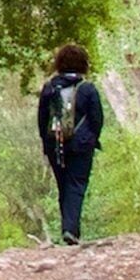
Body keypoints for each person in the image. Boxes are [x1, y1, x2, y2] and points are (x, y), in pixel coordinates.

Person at [36, 43, 107, 246]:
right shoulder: (87, 88)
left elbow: (42, 119)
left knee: (63, 186)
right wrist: (91, 139)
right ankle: (70, 230)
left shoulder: (49, 88)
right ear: (83, 64)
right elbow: (97, 118)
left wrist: (46, 142)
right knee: (76, 185)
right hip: (81, 145)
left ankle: (69, 229)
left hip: (54, 143)